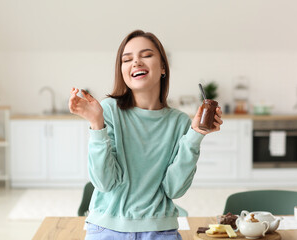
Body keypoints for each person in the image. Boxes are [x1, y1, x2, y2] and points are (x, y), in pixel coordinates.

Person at [69, 30, 223, 240]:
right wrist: (97, 124)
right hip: (106, 230)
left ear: (162, 68)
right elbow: (104, 183)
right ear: (121, 70)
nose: (136, 62)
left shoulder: (179, 122)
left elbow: (174, 189)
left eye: (146, 55)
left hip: (160, 230)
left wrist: (195, 135)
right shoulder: (109, 111)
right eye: (127, 59)